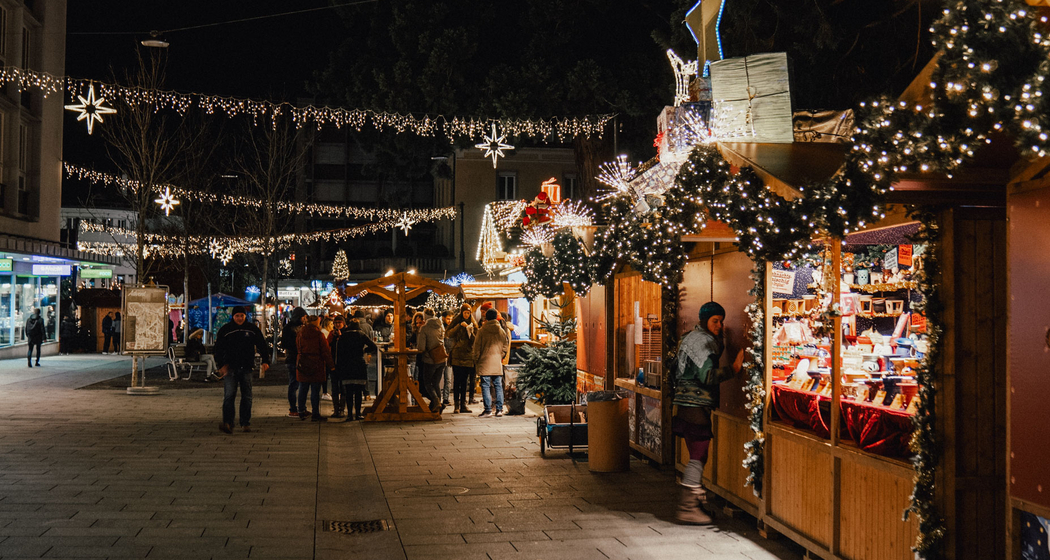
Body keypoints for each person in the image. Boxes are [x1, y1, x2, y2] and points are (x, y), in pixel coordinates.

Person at [672, 301, 744, 525]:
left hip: (682, 404)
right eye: (715, 321)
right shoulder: (706, 343)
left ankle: (696, 503)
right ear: (705, 320)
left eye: (721, 321)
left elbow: (674, 369)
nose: (720, 325)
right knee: (699, 454)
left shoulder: (688, 338)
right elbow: (708, 376)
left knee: (696, 453)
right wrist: (733, 369)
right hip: (697, 407)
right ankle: (688, 507)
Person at [214, 306, 271, 433]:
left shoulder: (251, 329)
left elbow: (261, 344)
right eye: (237, 316)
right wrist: (221, 365)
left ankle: (245, 422)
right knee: (229, 395)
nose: (239, 318)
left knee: (247, 396)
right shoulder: (226, 330)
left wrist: (265, 360)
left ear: (245, 316)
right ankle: (228, 422)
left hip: (246, 366)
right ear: (233, 316)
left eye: (242, 316)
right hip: (230, 367)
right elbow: (218, 348)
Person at [335, 317, 377, 420]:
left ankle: (349, 414)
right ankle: (357, 414)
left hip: (347, 365)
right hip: (359, 364)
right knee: (358, 391)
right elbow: (373, 346)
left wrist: (339, 366)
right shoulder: (361, 335)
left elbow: (339, 353)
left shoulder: (343, 336)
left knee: (348, 391)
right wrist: (364, 350)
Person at [296, 315, 334, 421]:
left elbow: (298, 347)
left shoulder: (300, 333)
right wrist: (331, 365)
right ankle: (315, 413)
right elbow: (325, 351)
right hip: (316, 363)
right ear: (315, 322)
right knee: (315, 390)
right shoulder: (319, 335)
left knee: (303, 388)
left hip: (303, 362)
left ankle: (301, 411)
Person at [473, 308, 509, 418]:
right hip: (497, 362)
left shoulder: (482, 331)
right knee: (498, 386)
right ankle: (499, 409)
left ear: (486, 318)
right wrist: (500, 355)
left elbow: (477, 347)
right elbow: (505, 346)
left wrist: (476, 359)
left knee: (485, 385)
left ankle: (488, 410)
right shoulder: (501, 331)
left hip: (484, 362)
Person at [446, 303, 477, 413]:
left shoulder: (473, 323)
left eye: (468, 313)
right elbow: (448, 333)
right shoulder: (456, 321)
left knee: (465, 381)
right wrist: (459, 326)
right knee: (457, 380)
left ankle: (463, 404)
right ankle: (456, 405)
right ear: (461, 312)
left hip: (468, 355)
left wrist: (470, 331)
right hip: (457, 355)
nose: (467, 315)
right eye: (465, 313)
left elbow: (475, 339)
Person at [416, 308, 446, 413]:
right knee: (436, 383)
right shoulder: (440, 325)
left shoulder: (424, 328)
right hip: (441, 357)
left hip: (430, 359)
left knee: (427, 383)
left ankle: (437, 402)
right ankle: (438, 406)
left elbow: (421, 348)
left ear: (425, 316)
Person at [280, 307, 308, 417]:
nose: (305, 319)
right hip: (293, 359)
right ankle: (293, 408)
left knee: (301, 384)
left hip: (300, 359)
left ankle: (301, 408)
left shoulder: (301, 328)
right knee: (294, 384)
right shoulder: (289, 328)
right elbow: (285, 344)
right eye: (304, 317)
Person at [326, 316, 346, 418]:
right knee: (334, 388)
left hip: (343, 365)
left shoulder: (346, 333)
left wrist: (341, 337)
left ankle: (342, 409)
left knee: (343, 388)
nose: (338, 324)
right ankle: (336, 409)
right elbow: (327, 345)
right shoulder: (331, 334)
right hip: (333, 365)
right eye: (336, 323)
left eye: (340, 322)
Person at [440, 310, 455, 406]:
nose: (450, 321)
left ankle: (446, 398)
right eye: (448, 318)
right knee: (439, 377)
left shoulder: (452, 329)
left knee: (448, 378)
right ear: (443, 318)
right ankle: (438, 397)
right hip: (441, 356)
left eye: (451, 319)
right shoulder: (440, 328)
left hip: (449, 356)